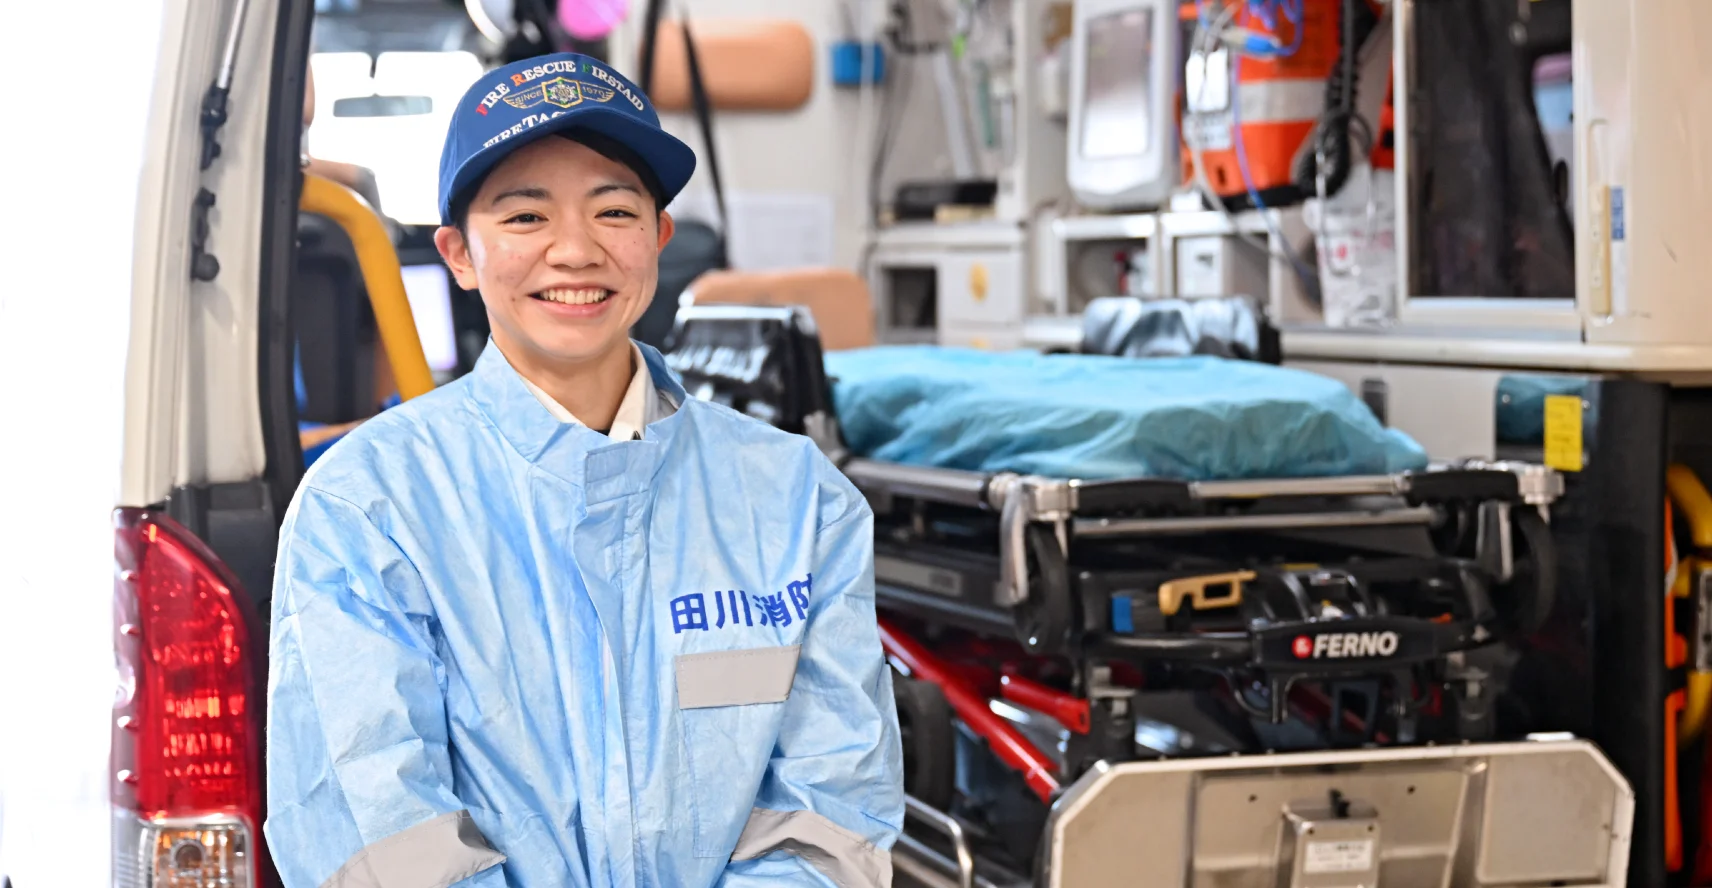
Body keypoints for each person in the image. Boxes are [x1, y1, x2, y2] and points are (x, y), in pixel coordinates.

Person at [263, 51, 905, 888]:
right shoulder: (368, 506)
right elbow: (376, 833)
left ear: (658, 238)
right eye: (525, 218)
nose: (575, 250)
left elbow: (833, 809)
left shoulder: (797, 498)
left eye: (613, 210)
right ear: (459, 254)